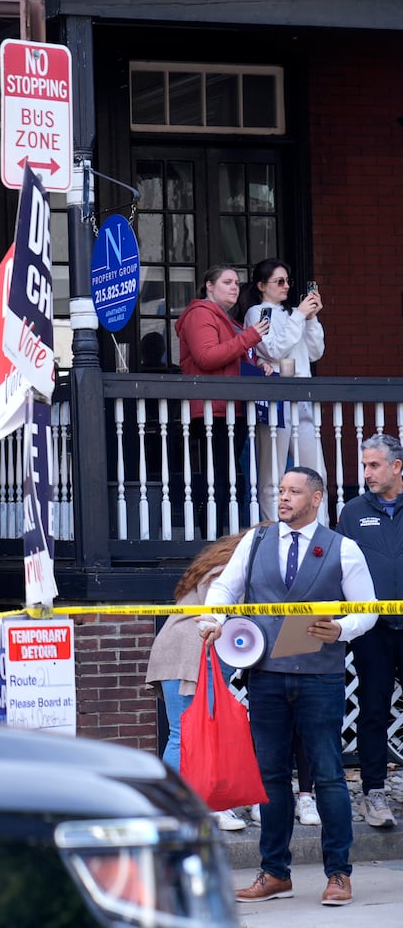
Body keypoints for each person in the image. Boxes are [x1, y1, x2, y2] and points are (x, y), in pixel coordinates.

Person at [200, 467, 377, 907]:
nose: (283, 498)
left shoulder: (344, 548)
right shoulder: (255, 542)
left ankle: (339, 874)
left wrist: (343, 629)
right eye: (281, 491)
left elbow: (369, 609)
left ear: (317, 499)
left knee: (330, 777)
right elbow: (225, 586)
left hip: (321, 677)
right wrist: (213, 615)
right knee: (271, 778)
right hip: (266, 677)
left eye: (294, 492)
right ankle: (274, 873)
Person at [144, 527, 257, 833]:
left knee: (187, 733)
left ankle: (175, 805)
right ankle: (187, 806)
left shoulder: (212, 568)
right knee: (185, 734)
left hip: (179, 654)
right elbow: (219, 617)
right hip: (191, 655)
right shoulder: (225, 574)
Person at [337, 433, 403, 830]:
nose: (367, 473)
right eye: (364, 465)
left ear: (397, 466)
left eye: (374, 465)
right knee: (373, 709)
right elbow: (342, 568)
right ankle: (374, 792)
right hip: (372, 629)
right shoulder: (352, 511)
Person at [176, 266, 269, 536]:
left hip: (230, 409)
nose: (234, 287)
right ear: (209, 286)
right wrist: (249, 337)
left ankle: (221, 538)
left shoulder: (227, 319)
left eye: (237, 283)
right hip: (212, 410)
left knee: (227, 478)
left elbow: (233, 358)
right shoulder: (200, 314)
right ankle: (209, 538)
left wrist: (257, 364)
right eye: (227, 282)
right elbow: (207, 357)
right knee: (216, 478)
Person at [242, 259, 327, 524]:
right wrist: (300, 315)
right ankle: (272, 530)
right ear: (261, 286)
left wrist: (310, 319)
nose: (286, 286)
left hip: (302, 397)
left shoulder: (294, 315)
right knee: (272, 473)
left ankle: (320, 528)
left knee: (316, 471)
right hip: (276, 398)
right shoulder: (257, 312)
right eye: (279, 281)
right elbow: (273, 350)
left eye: (288, 281)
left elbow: (316, 352)